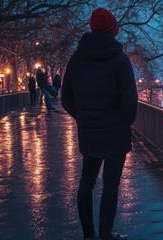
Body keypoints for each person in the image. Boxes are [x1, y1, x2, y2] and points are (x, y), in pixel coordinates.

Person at [61, 7, 136, 240]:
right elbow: (130, 103)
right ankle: (105, 235)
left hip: (90, 134)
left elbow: (66, 99)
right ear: (113, 30)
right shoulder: (120, 60)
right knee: (110, 187)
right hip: (116, 135)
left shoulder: (76, 59)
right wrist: (123, 122)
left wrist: (84, 118)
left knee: (87, 183)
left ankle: (88, 235)